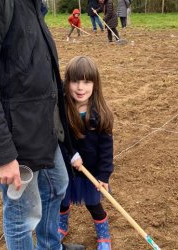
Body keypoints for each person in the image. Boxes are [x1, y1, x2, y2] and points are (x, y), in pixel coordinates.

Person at [0, 0, 85, 249]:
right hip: (14, 133)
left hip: (41, 123)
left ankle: (50, 246)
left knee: (57, 186)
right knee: (22, 215)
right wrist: (0, 154)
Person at [58, 56, 114, 250]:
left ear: (95, 84)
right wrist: (70, 156)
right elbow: (59, 139)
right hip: (67, 170)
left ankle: (103, 236)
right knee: (62, 201)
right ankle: (61, 225)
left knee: (93, 205)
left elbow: (107, 150)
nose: (80, 88)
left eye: (86, 81)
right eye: (75, 81)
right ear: (67, 82)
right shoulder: (62, 110)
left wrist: (104, 175)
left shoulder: (100, 113)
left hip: (91, 172)